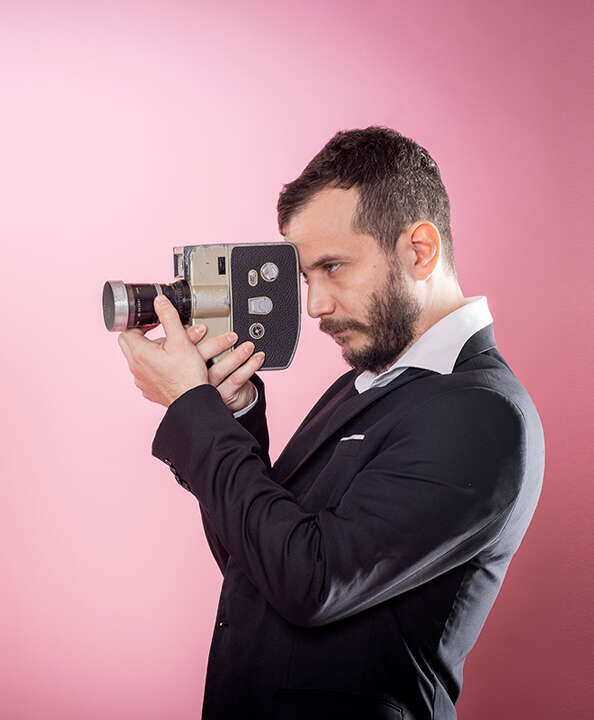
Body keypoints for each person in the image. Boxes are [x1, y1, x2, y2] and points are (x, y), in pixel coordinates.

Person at [116, 127, 543, 719]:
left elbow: (310, 584)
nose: (315, 305)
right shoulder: (365, 383)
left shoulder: (482, 413)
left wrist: (191, 407)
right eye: (306, 278)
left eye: (333, 267)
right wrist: (231, 413)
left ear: (420, 250)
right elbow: (256, 562)